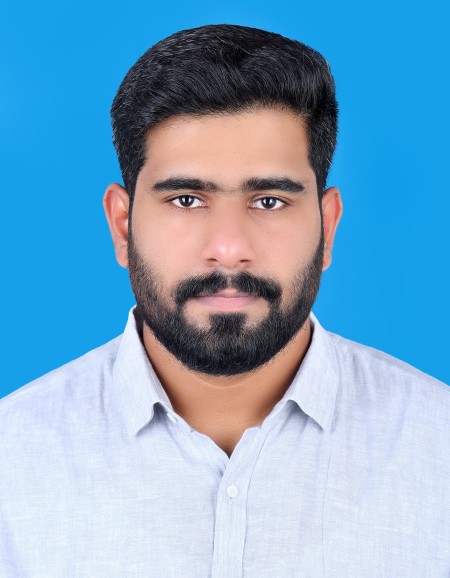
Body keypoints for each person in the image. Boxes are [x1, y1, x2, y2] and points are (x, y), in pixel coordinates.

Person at [1, 23, 449, 578]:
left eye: (269, 200)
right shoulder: (11, 464)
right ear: (122, 225)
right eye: (187, 199)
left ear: (328, 227)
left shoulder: (440, 450)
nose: (229, 250)